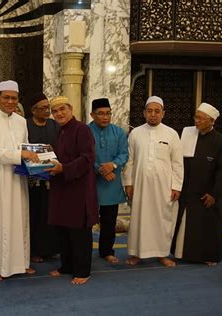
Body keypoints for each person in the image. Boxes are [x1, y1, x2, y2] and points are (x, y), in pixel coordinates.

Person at [0, 80, 39, 282]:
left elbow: (26, 147)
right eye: (6, 97)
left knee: (19, 221)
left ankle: (20, 263)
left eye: (14, 98)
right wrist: (21, 154)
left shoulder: (22, 122)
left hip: (16, 179)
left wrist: (39, 154)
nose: (10, 101)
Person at [122, 96, 183, 267]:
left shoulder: (171, 134)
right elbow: (130, 160)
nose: (153, 115)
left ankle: (162, 254)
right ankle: (136, 253)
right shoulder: (135, 133)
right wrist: (128, 182)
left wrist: (176, 186)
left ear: (163, 113)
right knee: (138, 219)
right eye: (149, 111)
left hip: (164, 186)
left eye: (157, 111)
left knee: (163, 220)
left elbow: (178, 163)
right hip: (140, 186)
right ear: (144, 113)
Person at [46, 96, 98, 285]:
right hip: (62, 189)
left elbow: (87, 158)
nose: (59, 113)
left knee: (79, 232)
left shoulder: (82, 129)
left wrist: (64, 169)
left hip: (79, 190)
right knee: (64, 230)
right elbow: (61, 156)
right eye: (55, 111)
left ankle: (83, 271)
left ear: (71, 109)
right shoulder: (60, 132)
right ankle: (66, 266)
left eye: (62, 109)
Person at [172, 102, 222, 266]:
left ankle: (208, 255)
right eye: (196, 117)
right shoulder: (187, 134)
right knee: (186, 221)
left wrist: (214, 194)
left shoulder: (220, 140)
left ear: (211, 121)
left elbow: (221, 170)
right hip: (187, 189)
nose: (197, 121)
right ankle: (181, 253)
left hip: (207, 191)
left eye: (201, 119)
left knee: (207, 224)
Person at [88, 98, 128, 265]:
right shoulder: (85, 131)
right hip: (89, 181)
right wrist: (100, 169)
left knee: (109, 220)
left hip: (111, 182)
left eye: (108, 113)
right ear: (92, 115)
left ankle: (107, 251)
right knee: (86, 220)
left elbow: (124, 154)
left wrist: (112, 165)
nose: (105, 117)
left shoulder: (118, 132)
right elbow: (85, 155)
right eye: (101, 114)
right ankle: (82, 252)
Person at [26, 92, 60, 263]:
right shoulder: (25, 126)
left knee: (51, 213)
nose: (47, 111)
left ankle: (51, 248)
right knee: (34, 213)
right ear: (33, 110)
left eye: (48, 107)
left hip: (52, 177)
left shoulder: (54, 125)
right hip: (31, 179)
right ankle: (34, 250)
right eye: (43, 108)